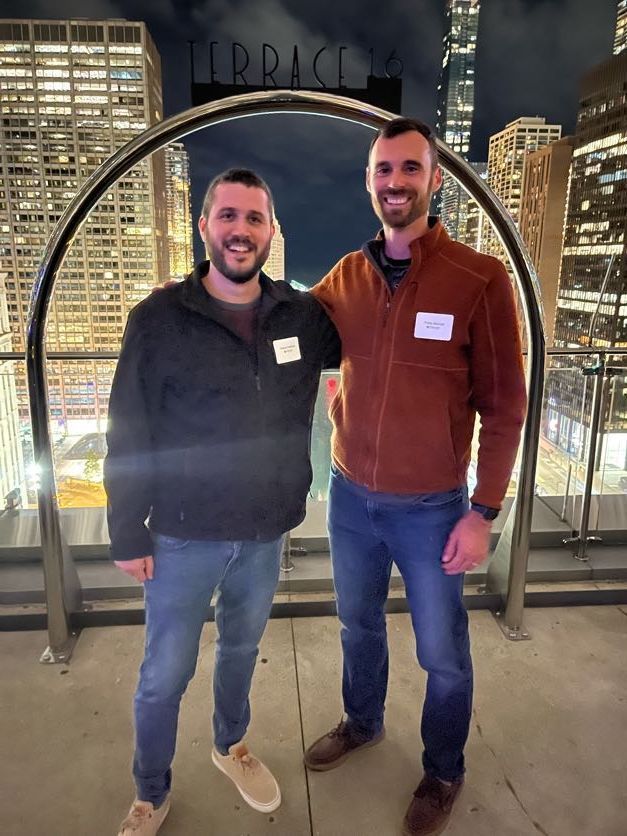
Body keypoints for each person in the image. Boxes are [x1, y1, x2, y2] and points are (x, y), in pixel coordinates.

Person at [304, 118, 527, 836]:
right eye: (381, 171)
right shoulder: (344, 276)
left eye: (408, 169)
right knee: (356, 625)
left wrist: (483, 510)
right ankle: (362, 721)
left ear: (435, 179)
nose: (393, 183)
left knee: (443, 654)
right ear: (368, 182)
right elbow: (286, 334)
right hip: (348, 498)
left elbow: (505, 404)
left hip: (432, 507)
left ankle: (442, 769)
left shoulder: (478, 278)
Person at [104, 167, 340, 836]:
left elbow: (373, 334)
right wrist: (126, 529)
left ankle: (229, 744)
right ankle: (150, 792)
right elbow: (130, 424)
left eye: (254, 218)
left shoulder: (301, 315)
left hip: (264, 534)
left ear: (270, 231)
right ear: (204, 226)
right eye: (227, 216)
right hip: (182, 534)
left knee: (241, 650)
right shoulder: (158, 319)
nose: (240, 230)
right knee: (163, 675)